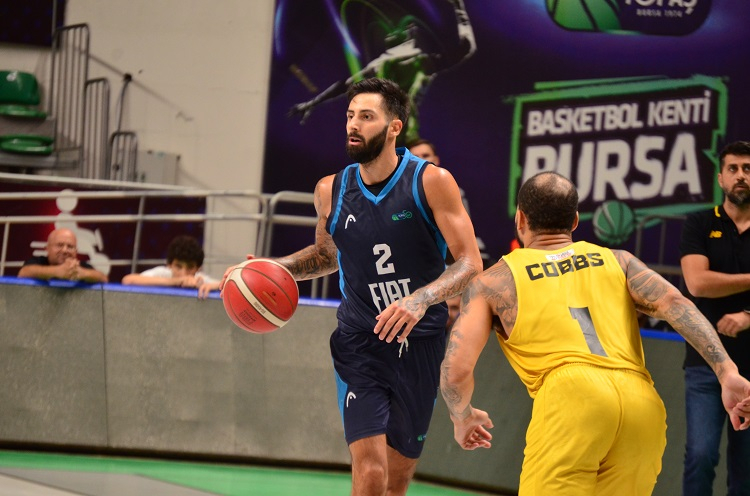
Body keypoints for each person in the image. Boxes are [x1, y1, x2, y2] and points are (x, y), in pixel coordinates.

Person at [223, 77, 482, 495]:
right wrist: (267, 268)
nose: (353, 125)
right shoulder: (331, 189)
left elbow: (470, 262)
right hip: (360, 342)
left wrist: (421, 299)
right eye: (349, 116)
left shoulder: (432, 182)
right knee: (372, 471)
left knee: (396, 482)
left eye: (366, 116)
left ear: (394, 127)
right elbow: (326, 256)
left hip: (421, 343)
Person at [439, 171, 750, 495]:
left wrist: (462, 417)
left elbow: (456, 370)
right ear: (575, 221)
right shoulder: (619, 261)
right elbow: (676, 304)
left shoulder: (493, 282)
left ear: (520, 219)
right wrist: (726, 371)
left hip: (571, 398)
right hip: (640, 401)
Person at [289, 0, 475, 144]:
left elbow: (465, 48)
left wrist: (459, 9)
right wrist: (312, 103)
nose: (393, 30)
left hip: (397, 137)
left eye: (402, 29)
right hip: (389, 137)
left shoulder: (415, 62)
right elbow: (344, 85)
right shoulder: (391, 63)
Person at [679, 140, 750, 496]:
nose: (741, 176)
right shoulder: (700, 222)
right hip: (705, 361)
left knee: (746, 469)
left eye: (748, 169)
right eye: (733, 169)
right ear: (721, 178)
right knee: (701, 455)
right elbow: (697, 283)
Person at [123, 235, 220, 299]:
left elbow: (224, 285)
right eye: (178, 267)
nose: (184, 273)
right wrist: (176, 281)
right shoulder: (162, 273)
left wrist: (212, 286)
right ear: (169, 265)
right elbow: (128, 280)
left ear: (198, 269)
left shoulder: (200, 280)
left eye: (190, 268)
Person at [18, 228, 108, 283]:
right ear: (47, 249)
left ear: (76, 251)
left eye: (70, 247)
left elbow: (103, 279)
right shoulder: (38, 262)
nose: (65, 250)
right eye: (59, 245)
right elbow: (23, 273)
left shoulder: (80, 266)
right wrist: (57, 271)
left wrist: (82, 273)